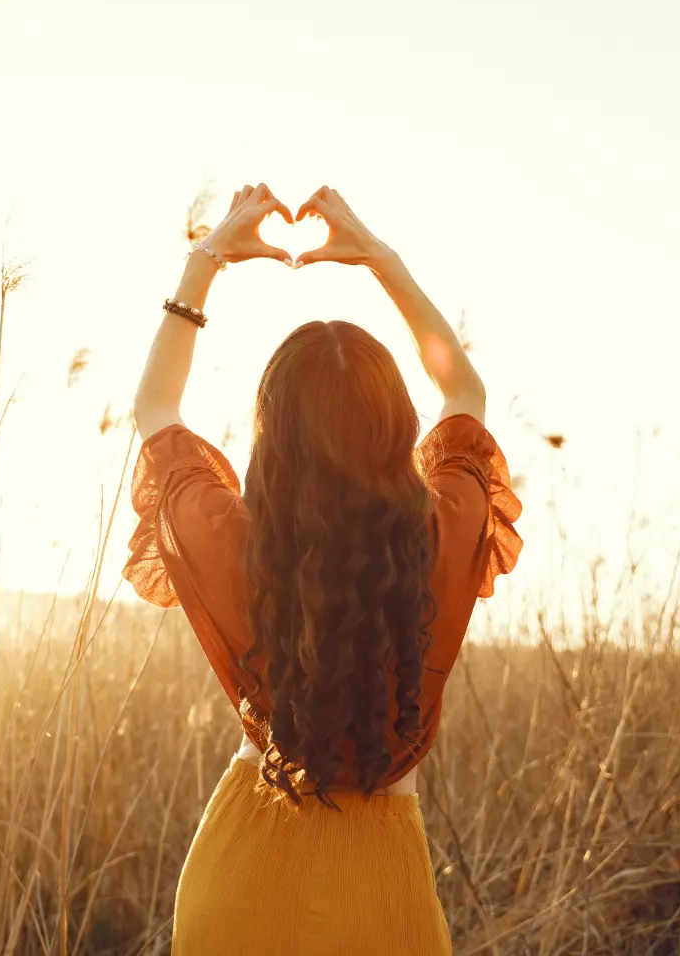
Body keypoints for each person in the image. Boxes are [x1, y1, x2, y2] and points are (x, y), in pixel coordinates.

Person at [124, 184, 523, 954]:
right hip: (381, 888)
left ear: (271, 439)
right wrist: (379, 259)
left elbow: (155, 408)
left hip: (240, 873)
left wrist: (205, 260)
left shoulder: (236, 544)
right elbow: (463, 391)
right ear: (396, 428)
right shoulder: (438, 534)